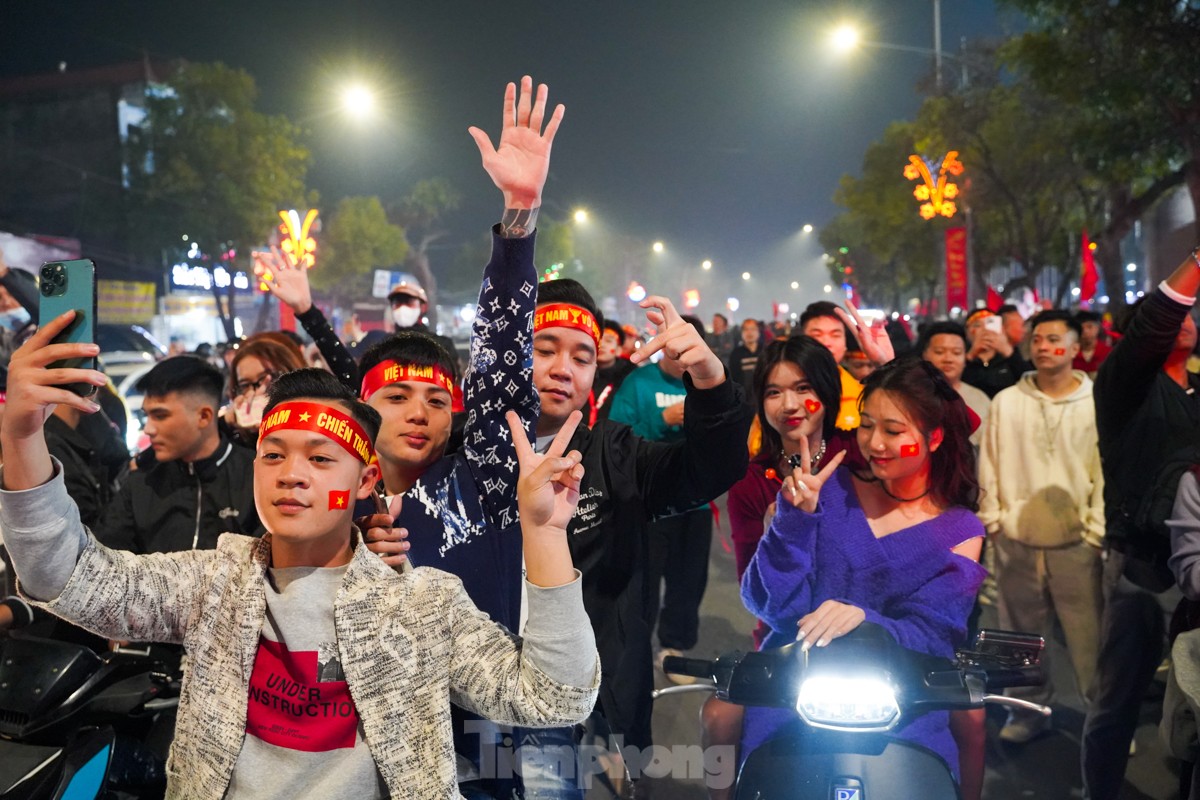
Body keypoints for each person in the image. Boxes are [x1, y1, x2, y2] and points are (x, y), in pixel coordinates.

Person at [0, 328, 600, 798]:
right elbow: (68, 577)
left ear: (365, 479)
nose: (291, 474)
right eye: (274, 455)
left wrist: (545, 534)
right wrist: (24, 436)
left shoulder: (420, 604)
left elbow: (555, 698)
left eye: (319, 458)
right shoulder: (213, 584)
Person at [526, 276, 753, 791]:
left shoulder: (613, 453)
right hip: (484, 701)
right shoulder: (460, 446)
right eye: (544, 350)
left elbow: (711, 468)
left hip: (598, 687)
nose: (563, 369)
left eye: (582, 358)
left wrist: (711, 381)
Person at [740, 357, 985, 783]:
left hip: (904, 703)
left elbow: (935, 635)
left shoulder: (962, 529)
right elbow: (771, 606)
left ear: (935, 437)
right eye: (867, 424)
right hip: (794, 691)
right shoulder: (827, 491)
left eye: (893, 431)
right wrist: (791, 523)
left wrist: (867, 622)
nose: (874, 443)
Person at [1083, 247, 1200, 800]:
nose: (1187, 321)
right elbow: (1156, 322)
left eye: (1192, 313)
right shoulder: (1124, 388)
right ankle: (1101, 789)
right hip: (1142, 566)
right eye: (1180, 314)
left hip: (1197, 568)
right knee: (1118, 699)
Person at [978, 310, 1104, 744]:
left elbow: (1103, 471)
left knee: (1089, 639)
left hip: (1077, 543)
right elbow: (988, 465)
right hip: (1016, 541)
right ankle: (1026, 713)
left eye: (1055, 339)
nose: (1044, 346)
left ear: (1074, 348)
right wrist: (994, 521)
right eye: (1038, 339)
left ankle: (1103, 721)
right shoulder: (1007, 402)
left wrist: (1095, 531)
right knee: (1018, 636)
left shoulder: (1094, 401)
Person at [608, 314, 713, 679]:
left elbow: (727, 434)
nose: (681, 351)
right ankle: (633, 652)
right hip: (648, 502)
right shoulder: (638, 383)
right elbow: (616, 437)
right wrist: (662, 419)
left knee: (688, 581)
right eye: (674, 341)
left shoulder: (708, 383)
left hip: (696, 503)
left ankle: (674, 648)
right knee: (643, 583)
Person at [94, 356, 262, 554]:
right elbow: (104, 559)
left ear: (204, 416)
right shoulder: (142, 482)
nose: (148, 429)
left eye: (160, 416)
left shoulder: (256, 476)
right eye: (147, 415)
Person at [919, 321, 990, 449]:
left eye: (956, 353)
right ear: (925, 355)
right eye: (939, 352)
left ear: (965, 358)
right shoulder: (912, 396)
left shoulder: (980, 398)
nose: (948, 359)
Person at [799, 300, 868, 430]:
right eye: (816, 335)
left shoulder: (861, 395)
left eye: (835, 335)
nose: (826, 342)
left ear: (845, 345)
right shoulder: (783, 395)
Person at [226, 333, 308, 442]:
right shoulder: (235, 442)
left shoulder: (322, 423)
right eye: (245, 385)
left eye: (269, 378)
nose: (259, 392)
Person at [962, 309, 1030, 398]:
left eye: (990, 324)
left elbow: (1029, 381)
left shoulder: (1011, 355)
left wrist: (1007, 351)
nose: (985, 330)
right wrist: (971, 355)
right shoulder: (961, 356)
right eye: (977, 325)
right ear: (967, 332)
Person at [590, 319, 636, 423]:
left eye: (609, 341)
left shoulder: (629, 380)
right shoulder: (579, 375)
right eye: (598, 339)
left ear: (619, 350)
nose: (602, 345)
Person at [728, 318, 762, 405]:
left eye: (753, 329)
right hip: (743, 400)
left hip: (761, 397)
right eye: (746, 329)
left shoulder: (764, 351)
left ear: (758, 333)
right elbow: (734, 378)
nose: (749, 333)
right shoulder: (736, 354)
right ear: (742, 333)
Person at [1073, 309, 1112, 376]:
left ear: (1097, 328)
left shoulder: (1108, 353)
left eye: (1089, 327)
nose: (1085, 331)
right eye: (1081, 328)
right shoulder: (1072, 354)